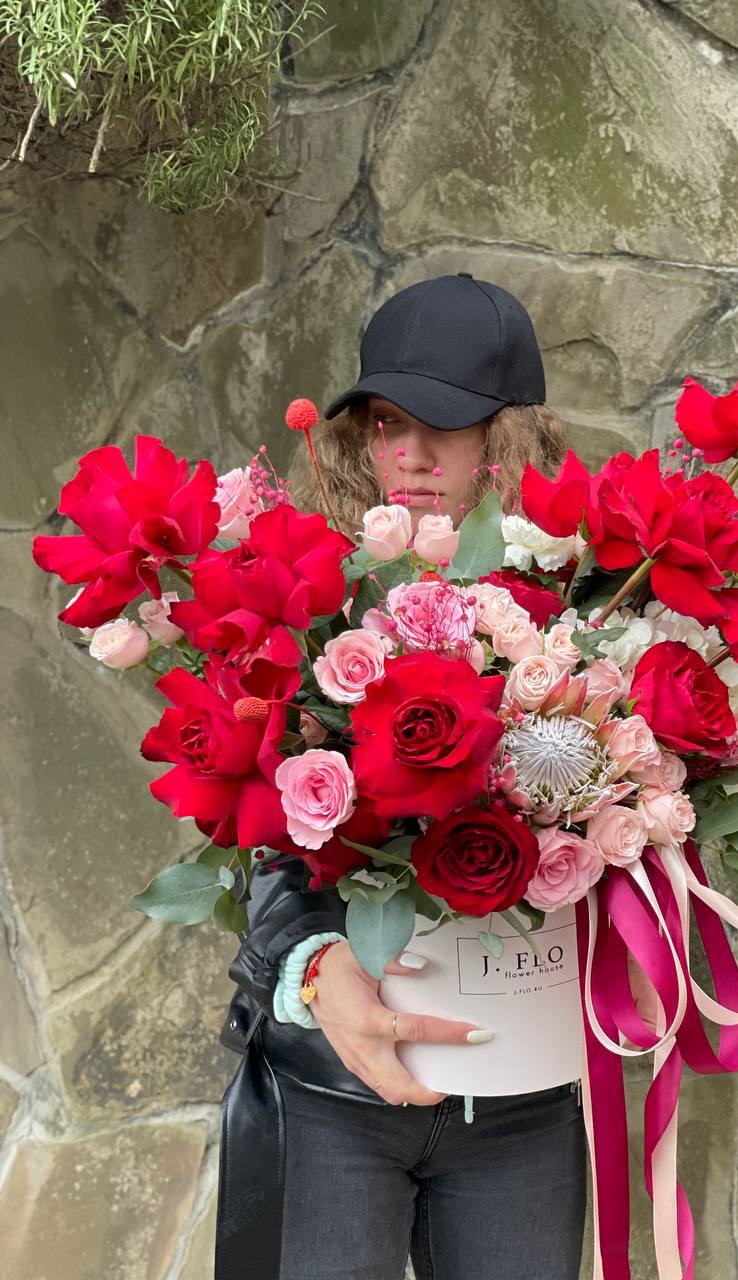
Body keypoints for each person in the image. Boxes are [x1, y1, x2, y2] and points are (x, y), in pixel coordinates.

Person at [217, 273, 588, 1280]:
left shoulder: (589, 615)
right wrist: (309, 965)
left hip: (517, 1103)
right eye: (387, 422)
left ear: (507, 439)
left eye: (445, 424)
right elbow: (250, 835)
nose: (411, 454)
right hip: (329, 1090)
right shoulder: (310, 599)